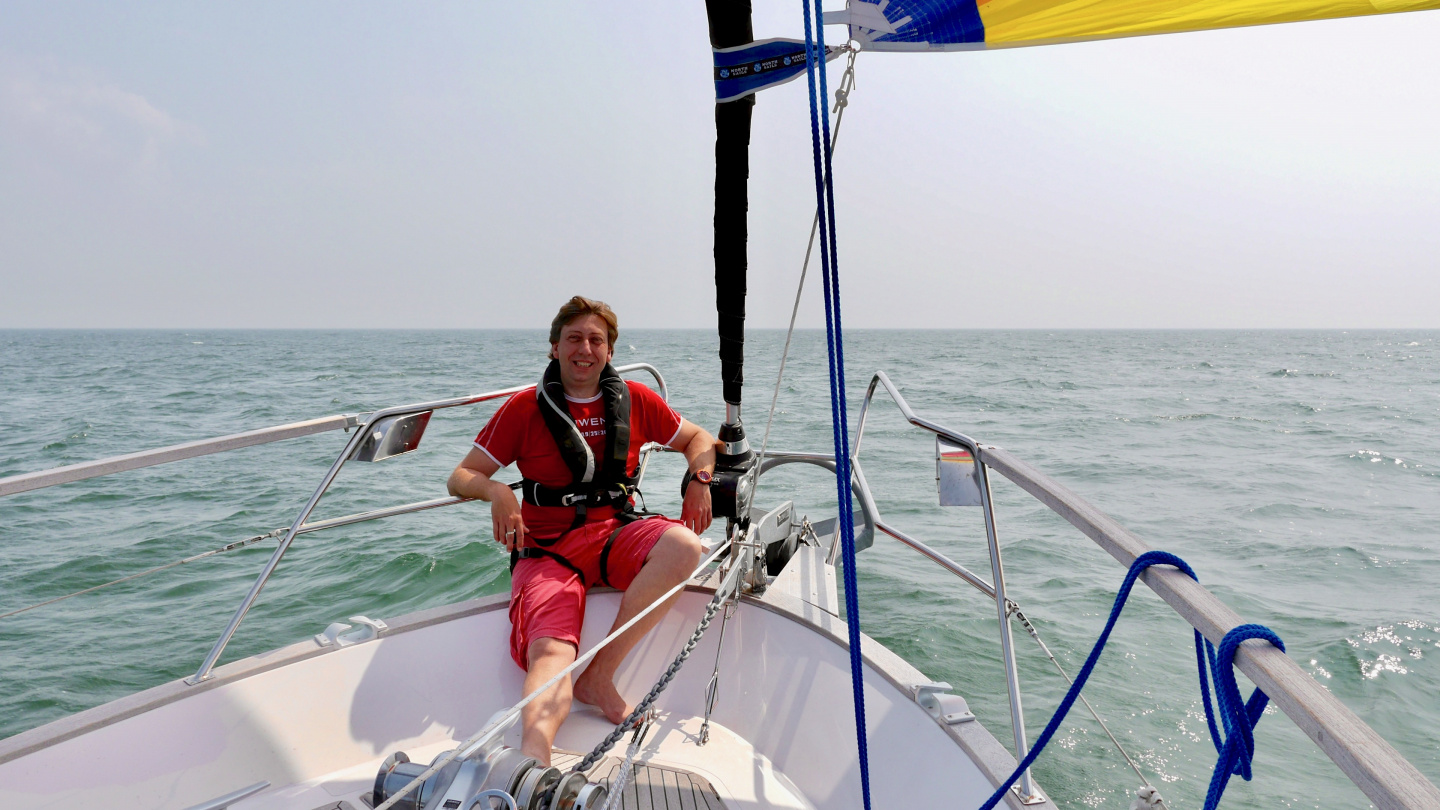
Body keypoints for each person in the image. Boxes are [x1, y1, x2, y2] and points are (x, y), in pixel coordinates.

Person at [447, 296, 715, 765]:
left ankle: (598, 677)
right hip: (548, 550)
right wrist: (497, 492)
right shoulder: (524, 408)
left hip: (615, 533)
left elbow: (699, 439)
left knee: (684, 546)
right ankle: (535, 763)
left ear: (610, 351)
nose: (584, 349)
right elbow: (460, 476)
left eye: (596, 340)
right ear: (554, 348)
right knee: (551, 651)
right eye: (574, 339)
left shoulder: (635, 399)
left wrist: (699, 479)